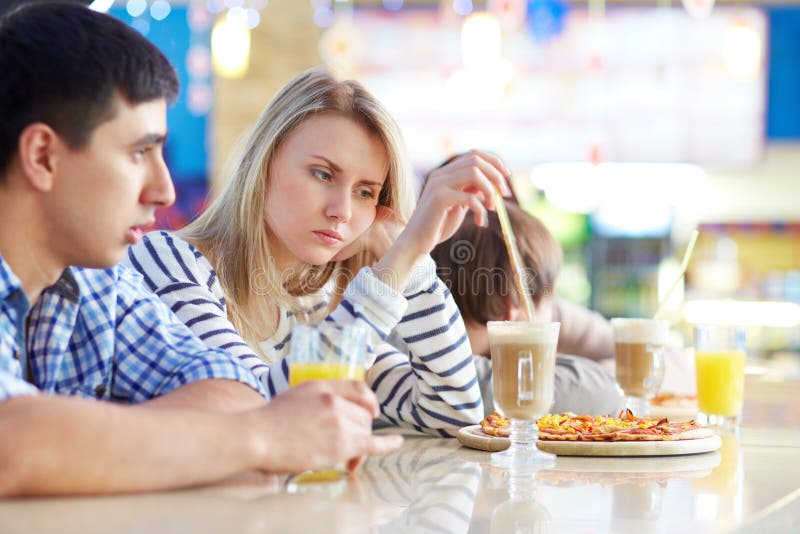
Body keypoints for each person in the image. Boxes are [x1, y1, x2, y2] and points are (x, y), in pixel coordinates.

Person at [0, 3, 401, 497]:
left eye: (367, 190)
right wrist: (262, 437)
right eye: (138, 153)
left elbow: (236, 392)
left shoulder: (97, 284)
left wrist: (73, 449)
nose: (164, 191)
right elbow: (9, 448)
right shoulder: (163, 260)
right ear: (42, 157)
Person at [125, 68, 515, 436]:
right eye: (323, 174)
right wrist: (403, 254)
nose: (342, 211)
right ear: (265, 163)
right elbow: (259, 413)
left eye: (365, 192)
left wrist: (414, 264)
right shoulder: (167, 261)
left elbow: (453, 412)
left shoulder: (321, 303)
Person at [430, 203, 626, 415]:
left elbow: (666, 358)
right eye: (552, 296)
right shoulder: (447, 379)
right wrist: (618, 374)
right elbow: (602, 394)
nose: (553, 308)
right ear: (509, 307)